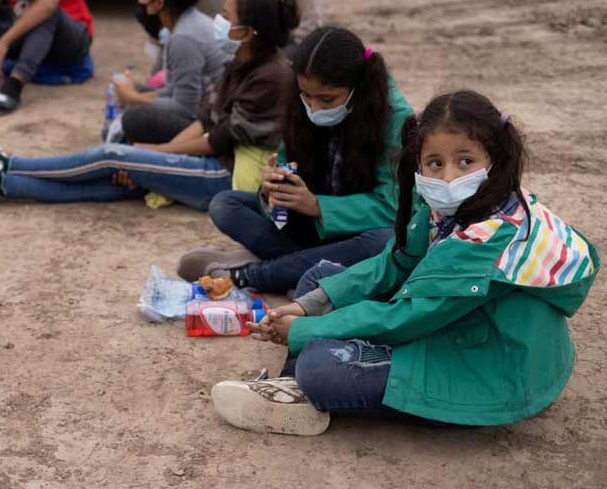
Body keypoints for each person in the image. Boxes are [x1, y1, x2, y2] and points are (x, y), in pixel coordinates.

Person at [209, 90, 600, 436]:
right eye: (434, 163)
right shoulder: (442, 208)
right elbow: (393, 263)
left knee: (320, 365)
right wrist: (307, 308)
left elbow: (407, 318)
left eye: (465, 161)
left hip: (493, 367)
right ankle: (296, 385)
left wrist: (306, 330)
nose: (448, 177)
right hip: (452, 322)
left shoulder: (489, 239)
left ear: (494, 159)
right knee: (319, 279)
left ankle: (300, 386)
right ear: (419, 163)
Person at [0, 0, 299, 211]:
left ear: (248, 32)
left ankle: (7, 163)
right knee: (110, 179)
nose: (218, 20)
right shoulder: (241, 61)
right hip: (216, 161)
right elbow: (207, 119)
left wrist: (151, 154)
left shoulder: (272, 76)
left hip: (228, 178)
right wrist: (151, 159)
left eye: (227, 15)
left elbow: (219, 138)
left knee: (111, 155)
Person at [179, 26, 413, 296]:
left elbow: (393, 208)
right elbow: (285, 163)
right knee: (225, 205)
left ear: (358, 86)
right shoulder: (298, 103)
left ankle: (250, 274)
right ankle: (310, 272)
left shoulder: (395, 118)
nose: (314, 108)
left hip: (357, 232)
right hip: (308, 229)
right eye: (307, 96)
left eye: (327, 99)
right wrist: (273, 189)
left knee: (385, 241)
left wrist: (317, 206)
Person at [113, 0, 229, 144]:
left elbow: (185, 107)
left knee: (134, 119)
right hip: (205, 103)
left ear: (159, 3)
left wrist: (132, 98)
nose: (140, 1)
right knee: (136, 93)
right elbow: (176, 89)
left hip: (213, 119)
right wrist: (135, 94)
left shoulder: (184, 38)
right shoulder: (190, 23)